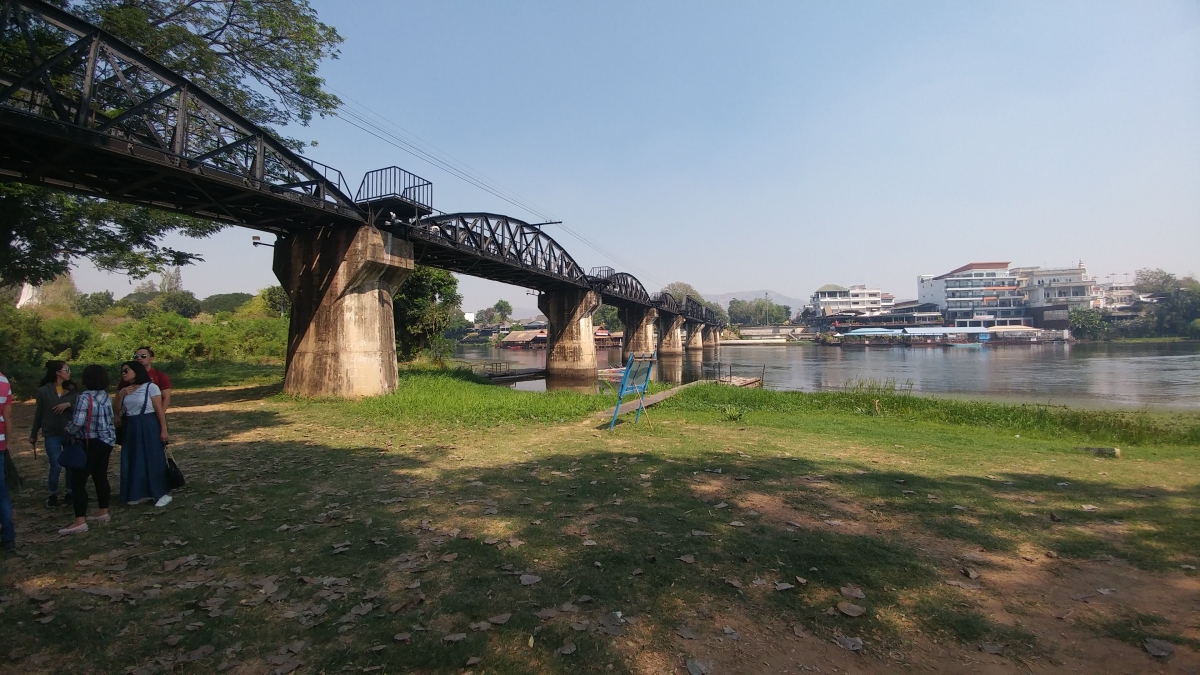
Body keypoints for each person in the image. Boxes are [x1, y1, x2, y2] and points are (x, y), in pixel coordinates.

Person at [58, 365, 116, 535]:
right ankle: (103, 511)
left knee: (78, 481)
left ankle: (79, 520)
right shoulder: (106, 397)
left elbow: (78, 423)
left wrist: (67, 431)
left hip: (89, 442)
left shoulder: (84, 397)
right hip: (106, 441)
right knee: (100, 476)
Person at [115, 361, 172, 508]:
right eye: (122, 371)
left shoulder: (151, 387)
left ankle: (160, 492)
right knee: (133, 458)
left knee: (152, 457)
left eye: (126, 370)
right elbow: (116, 410)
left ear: (136, 371)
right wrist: (120, 396)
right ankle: (136, 492)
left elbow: (159, 410)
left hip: (148, 424)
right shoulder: (125, 390)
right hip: (131, 425)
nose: (124, 373)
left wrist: (163, 429)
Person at [29, 360, 79, 507]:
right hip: (51, 433)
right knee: (55, 465)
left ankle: (70, 492)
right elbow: (39, 414)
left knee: (71, 465)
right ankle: (53, 494)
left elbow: (83, 406)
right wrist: (34, 433)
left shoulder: (72, 390)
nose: (69, 372)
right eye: (66, 369)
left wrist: (69, 404)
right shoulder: (44, 391)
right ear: (58, 372)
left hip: (70, 432)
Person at [0, 369, 14, 552]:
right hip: (0, 443)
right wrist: (8, 442)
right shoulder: (3, 380)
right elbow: (7, 415)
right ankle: (9, 537)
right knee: (2, 493)